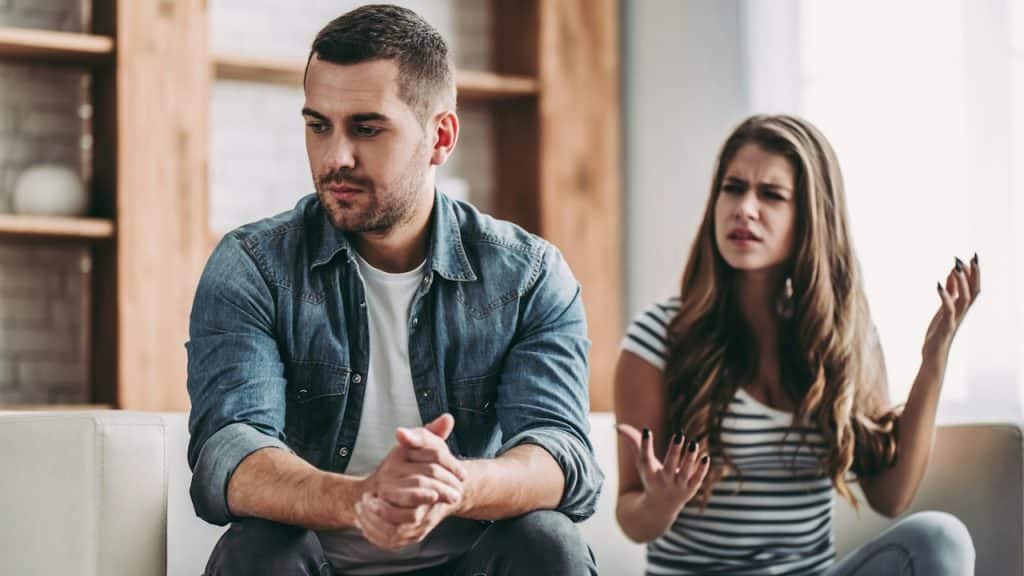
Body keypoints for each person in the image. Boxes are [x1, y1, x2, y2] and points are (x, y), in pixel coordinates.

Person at [186, 5, 600, 575]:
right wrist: (361, 498)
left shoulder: (528, 275)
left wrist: (453, 485)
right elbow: (229, 453)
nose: (335, 157)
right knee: (258, 549)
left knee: (548, 541)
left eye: (367, 128)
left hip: (471, 563)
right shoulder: (254, 266)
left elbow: (560, 453)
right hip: (316, 567)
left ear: (441, 136)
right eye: (317, 125)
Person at [614, 115, 979, 575]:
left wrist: (934, 359)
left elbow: (892, 497)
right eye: (733, 188)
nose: (745, 208)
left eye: (771, 194)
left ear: (810, 216)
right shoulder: (657, 338)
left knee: (939, 538)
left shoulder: (844, 335)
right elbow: (632, 519)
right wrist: (661, 502)